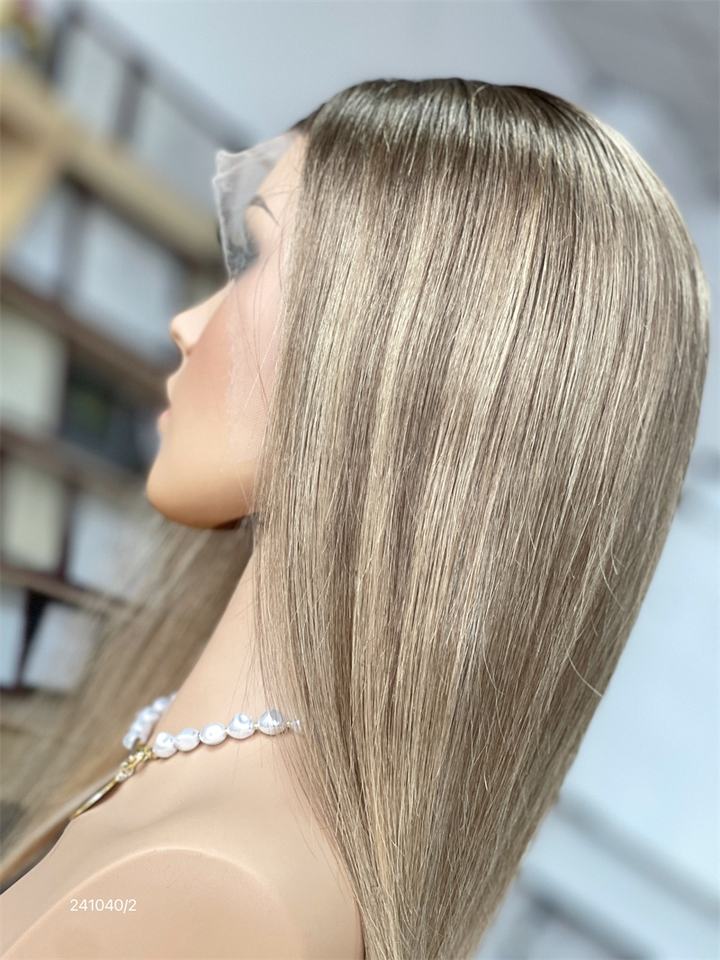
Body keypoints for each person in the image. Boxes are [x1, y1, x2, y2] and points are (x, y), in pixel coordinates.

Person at [0, 78, 709, 960]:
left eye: (256, 259)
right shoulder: (201, 819)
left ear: (403, 362)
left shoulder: (212, 891)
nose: (186, 324)